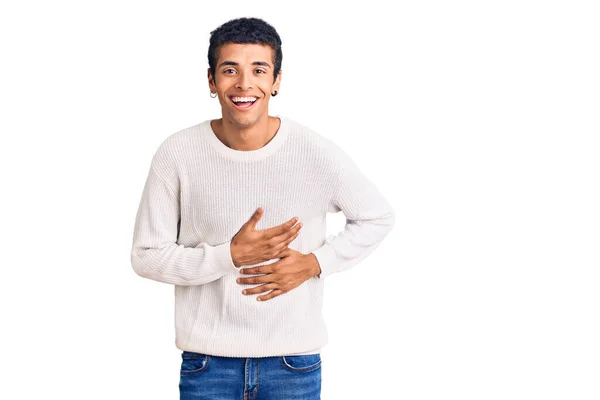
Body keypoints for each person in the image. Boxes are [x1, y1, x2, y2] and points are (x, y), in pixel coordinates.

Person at [130, 16, 395, 400]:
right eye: (229, 70)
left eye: (258, 69)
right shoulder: (178, 154)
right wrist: (230, 256)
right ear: (210, 80)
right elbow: (145, 256)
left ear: (276, 81)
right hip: (207, 365)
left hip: (292, 365)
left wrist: (314, 263)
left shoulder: (313, 152)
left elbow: (377, 216)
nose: (244, 84)